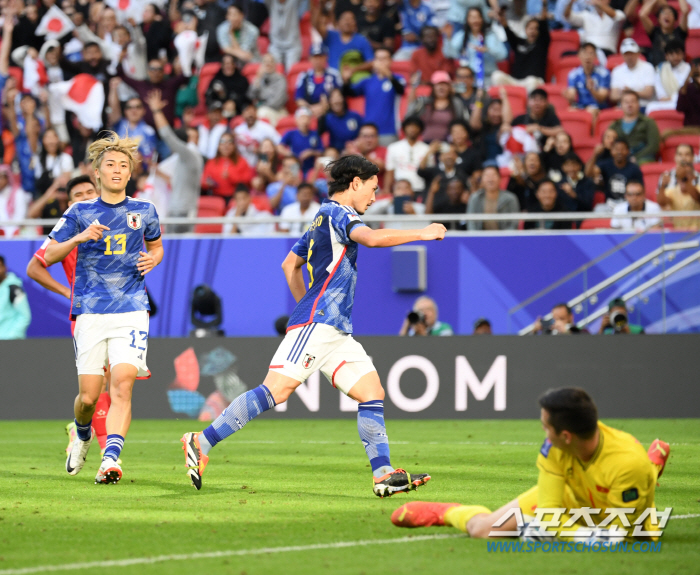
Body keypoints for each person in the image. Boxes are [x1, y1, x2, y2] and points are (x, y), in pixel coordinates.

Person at [180, 155, 446, 494]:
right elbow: (372, 239)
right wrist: (422, 232)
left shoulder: (321, 217)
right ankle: (201, 441)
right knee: (275, 391)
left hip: (334, 329)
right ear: (355, 183)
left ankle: (382, 474)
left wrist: (306, 305)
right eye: (373, 188)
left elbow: (289, 265)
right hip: (320, 322)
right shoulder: (340, 214)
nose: (375, 196)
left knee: (371, 392)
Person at [43, 131, 163, 484]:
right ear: (97, 172)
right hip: (91, 311)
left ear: (130, 173)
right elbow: (48, 255)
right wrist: (79, 237)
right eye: (110, 164)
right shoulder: (79, 212)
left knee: (123, 384)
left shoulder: (145, 210)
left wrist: (153, 259)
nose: (117, 170)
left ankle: (111, 458)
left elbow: (156, 247)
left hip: (131, 307)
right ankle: (81, 434)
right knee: (88, 397)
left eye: (123, 165)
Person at [392, 388, 669, 540]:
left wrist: (565, 533)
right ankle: (447, 512)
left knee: (632, 475)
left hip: (619, 510)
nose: (543, 434)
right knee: (483, 530)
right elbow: (549, 512)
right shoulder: (554, 448)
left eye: (546, 427)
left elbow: (621, 536)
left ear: (566, 436)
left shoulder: (627, 464)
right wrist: (549, 529)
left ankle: (650, 467)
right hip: (574, 496)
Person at [26, 175, 114, 458]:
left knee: (113, 384)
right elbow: (34, 267)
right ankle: (107, 453)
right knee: (98, 386)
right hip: (86, 315)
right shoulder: (66, 231)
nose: (86, 197)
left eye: (90, 191)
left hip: (118, 312)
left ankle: (80, 429)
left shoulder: (115, 222)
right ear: (70, 203)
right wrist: (67, 292)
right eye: (79, 195)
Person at [148, 90, 203, 232]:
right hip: (175, 211)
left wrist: (157, 111)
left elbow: (167, 135)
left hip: (184, 213)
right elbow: (179, 183)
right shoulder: (184, 159)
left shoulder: (190, 155)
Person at [345, 47, 406, 146]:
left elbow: (401, 90)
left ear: (390, 61)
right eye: (378, 59)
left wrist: (388, 74)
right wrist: (346, 80)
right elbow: (350, 93)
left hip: (389, 131)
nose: (381, 62)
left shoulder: (398, 78)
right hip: (369, 132)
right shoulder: (368, 81)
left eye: (384, 59)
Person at [492, 0, 549, 93]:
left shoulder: (542, 43)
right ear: (525, 30)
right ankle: (501, 101)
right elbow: (507, 29)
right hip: (516, 81)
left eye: (536, 29)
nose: (533, 31)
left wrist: (544, 4)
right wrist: (502, 18)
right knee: (496, 75)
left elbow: (543, 21)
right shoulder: (519, 42)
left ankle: (529, 102)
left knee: (531, 81)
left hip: (534, 81)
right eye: (530, 28)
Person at [443, 7, 507, 88]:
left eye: (477, 17)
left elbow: (503, 55)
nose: (475, 20)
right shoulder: (462, 36)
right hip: (468, 79)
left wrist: (488, 50)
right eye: (472, 17)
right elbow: (449, 54)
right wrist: (448, 39)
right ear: (467, 20)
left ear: (482, 19)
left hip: (488, 77)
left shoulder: (490, 36)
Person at [405, 71, 468, 143]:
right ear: (433, 86)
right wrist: (413, 87)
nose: (441, 87)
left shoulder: (456, 103)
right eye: (438, 84)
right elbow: (411, 108)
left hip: (449, 144)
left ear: (449, 86)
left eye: (444, 84)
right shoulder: (424, 102)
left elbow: (462, 124)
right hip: (424, 144)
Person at [313, 6, 374, 77]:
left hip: (353, 78)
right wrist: (320, 5)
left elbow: (371, 62)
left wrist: (354, 70)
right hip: (332, 78)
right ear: (338, 23)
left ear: (355, 23)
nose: (347, 22)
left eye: (350, 19)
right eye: (344, 19)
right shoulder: (331, 36)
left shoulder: (362, 40)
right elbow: (317, 25)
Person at [108, 90, 158, 168]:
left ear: (144, 110)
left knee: (136, 156)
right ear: (125, 111)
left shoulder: (149, 131)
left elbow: (148, 159)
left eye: (138, 107)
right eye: (129, 107)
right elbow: (113, 107)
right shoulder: (118, 124)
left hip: (138, 169)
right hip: (115, 165)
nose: (133, 110)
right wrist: (113, 88)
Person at [609, 90, 660, 165]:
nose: (629, 105)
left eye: (632, 101)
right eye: (626, 102)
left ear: (638, 104)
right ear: (621, 105)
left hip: (643, 158)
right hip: (620, 159)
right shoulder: (615, 125)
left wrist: (636, 157)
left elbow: (654, 146)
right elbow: (608, 144)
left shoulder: (648, 122)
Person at [384, 116, 431, 196]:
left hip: (420, 189)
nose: (413, 129)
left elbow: (430, 172)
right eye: (409, 126)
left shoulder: (427, 149)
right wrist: (387, 189)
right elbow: (390, 171)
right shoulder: (393, 148)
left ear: (420, 130)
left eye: (416, 126)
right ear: (404, 128)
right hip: (400, 191)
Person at [201, 134, 255, 202]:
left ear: (234, 145)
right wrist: (207, 183)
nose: (226, 146)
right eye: (222, 142)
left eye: (230, 142)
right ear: (218, 146)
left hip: (235, 198)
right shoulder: (211, 162)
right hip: (215, 197)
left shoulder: (242, 161)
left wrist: (232, 176)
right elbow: (204, 179)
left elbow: (247, 180)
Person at [565, 43, 611, 119]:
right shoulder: (573, 74)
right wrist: (569, 97)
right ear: (579, 55)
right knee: (570, 110)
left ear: (596, 56)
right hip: (581, 106)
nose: (587, 57)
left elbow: (601, 99)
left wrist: (592, 89)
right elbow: (572, 95)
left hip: (599, 108)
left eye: (591, 53)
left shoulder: (604, 73)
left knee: (592, 111)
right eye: (584, 53)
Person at [467, 165, 520, 230]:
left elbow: (513, 224)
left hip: (504, 235)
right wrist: (475, 235)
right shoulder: (475, 198)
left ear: (500, 179)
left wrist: (505, 236)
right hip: (480, 236)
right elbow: (471, 223)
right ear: (482, 180)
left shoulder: (510, 199)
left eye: (493, 175)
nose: (490, 179)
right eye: (487, 175)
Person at [594, 138, 644, 206]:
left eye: (622, 149)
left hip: (628, 205)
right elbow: (588, 173)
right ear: (611, 151)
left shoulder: (634, 169)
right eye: (616, 149)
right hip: (609, 204)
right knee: (597, 209)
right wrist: (595, 155)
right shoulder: (606, 164)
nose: (619, 152)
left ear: (628, 151)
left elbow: (641, 189)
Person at [294, 46, 343, 116]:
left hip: (331, 110)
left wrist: (325, 105)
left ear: (326, 58)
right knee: (302, 115)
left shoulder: (334, 75)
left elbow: (340, 95)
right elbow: (299, 99)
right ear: (310, 59)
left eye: (320, 57)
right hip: (310, 111)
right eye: (315, 57)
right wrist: (310, 108)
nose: (318, 60)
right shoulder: (304, 76)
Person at [639, 0, 689, 67]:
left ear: (675, 19)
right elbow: (642, 15)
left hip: (678, 70)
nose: (666, 15)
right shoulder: (654, 32)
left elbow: (685, 11)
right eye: (663, 13)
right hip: (658, 70)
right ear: (658, 19)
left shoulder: (680, 32)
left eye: (670, 13)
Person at [646, 40, 691, 114]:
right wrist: (667, 98)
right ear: (666, 56)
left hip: (684, 102)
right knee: (651, 107)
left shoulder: (689, 69)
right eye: (671, 54)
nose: (675, 57)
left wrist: (673, 98)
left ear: (683, 55)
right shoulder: (660, 69)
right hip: (666, 103)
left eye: (678, 53)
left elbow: (688, 91)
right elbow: (661, 95)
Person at [234, 102, 282, 167]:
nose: (250, 115)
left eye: (252, 112)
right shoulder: (238, 130)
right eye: (247, 112)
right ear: (242, 114)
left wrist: (261, 150)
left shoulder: (266, 128)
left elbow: (279, 143)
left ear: (256, 113)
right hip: (242, 165)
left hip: (261, 163)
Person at [610, 39, 655, 107]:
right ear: (622, 55)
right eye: (627, 54)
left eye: (632, 53)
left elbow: (649, 93)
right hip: (624, 108)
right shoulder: (617, 71)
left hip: (643, 106)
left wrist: (629, 92)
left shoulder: (648, 67)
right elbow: (613, 96)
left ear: (638, 53)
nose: (629, 57)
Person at [247, 53, 289, 126]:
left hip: (277, 111)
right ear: (261, 65)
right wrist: (257, 79)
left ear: (275, 64)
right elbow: (250, 96)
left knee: (262, 113)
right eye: (265, 62)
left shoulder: (280, 79)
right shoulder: (259, 78)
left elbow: (277, 102)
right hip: (261, 109)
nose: (268, 64)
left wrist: (261, 105)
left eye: (271, 61)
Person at [317, 88, 364, 153]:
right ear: (329, 102)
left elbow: (364, 133)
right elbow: (319, 133)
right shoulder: (328, 118)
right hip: (336, 152)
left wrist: (356, 143)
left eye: (339, 96)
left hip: (354, 151)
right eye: (333, 98)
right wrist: (323, 112)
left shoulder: (355, 116)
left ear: (343, 99)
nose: (336, 100)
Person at [657, 162, 700, 230]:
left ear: (693, 176)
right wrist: (662, 186)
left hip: (697, 233)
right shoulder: (672, 192)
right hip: (679, 233)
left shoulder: (698, 188)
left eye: (687, 173)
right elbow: (662, 203)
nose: (683, 176)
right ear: (677, 178)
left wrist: (685, 179)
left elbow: (697, 197)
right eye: (680, 174)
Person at [33, 128, 76, 196]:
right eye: (48, 137)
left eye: (54, 137)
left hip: (60, 195)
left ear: (58, 139)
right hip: (42, 195)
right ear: (43, 141)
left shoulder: (66, 158)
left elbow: (65, 181)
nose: (51, 141)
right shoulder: (38, 159)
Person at [279, 108, 324, 174]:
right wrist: (291, 154)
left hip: (311, 167)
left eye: (307, 118)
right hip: (295, 165)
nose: (305, 121)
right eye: (302, 118)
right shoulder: (290, 133)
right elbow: (279, 147)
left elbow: (321, 152)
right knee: (292, 172)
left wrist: (311, 152)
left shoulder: (315, 134)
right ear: (296, 120)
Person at [0, 254, 31, 340]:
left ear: (5, 268)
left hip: (8, 343)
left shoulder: (13, 288)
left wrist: (10, 338)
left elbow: (25, 316)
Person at [265, 0, 302, 71]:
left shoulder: (293, 2)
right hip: (276, 45)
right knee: (275, 71)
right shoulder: (271, 2)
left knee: (291, 71)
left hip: (292, 45)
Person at [0, 165, 32, 237]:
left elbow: (20, 215)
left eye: (1, 178)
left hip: (16, 232)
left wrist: (12, 231)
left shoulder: (18, 193)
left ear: (7, 178)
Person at [676, 57, 700, 127]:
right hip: (691, 128)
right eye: (697, 75)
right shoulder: (687, 88)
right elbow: (680, 108)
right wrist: (687, 81)